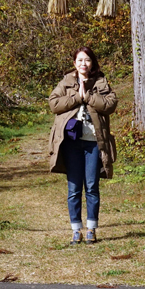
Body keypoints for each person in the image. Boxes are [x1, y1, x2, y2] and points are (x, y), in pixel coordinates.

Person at [48, 46, 118, 244]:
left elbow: (111, 104)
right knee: (74, 188)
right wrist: (77, 97)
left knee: (92, 187)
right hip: (71, 143)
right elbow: (54, 104)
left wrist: (88, 97)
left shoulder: (101, 82)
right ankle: (76, 230)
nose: (83, 64)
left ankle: (91, 229)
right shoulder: (67, 82)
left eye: (87, 60)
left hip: (94, 142)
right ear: (74, 63)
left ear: (92, 63)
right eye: (79, 60)